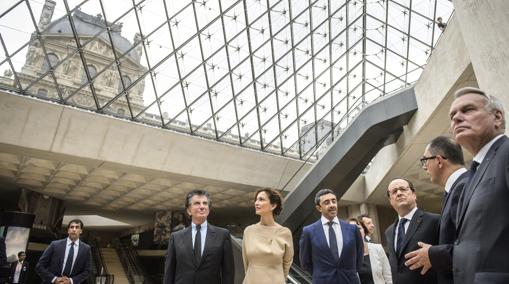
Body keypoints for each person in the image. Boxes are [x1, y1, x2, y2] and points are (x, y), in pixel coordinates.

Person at [448, 87, 509, 283]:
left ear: (497, 117)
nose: (456, 118)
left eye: (468, 110)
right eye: (453, 115)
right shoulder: (473, 173)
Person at [404, 136, 468, 283]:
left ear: (438, 160)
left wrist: (432, 254)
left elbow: (475, 247)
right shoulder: (455, 189)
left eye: (425, 161)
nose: (425, 167)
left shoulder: (464, 187)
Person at [163, 189, 234, 284]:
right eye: (197, 203)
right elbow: (169, 271)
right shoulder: (176, 237)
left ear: (209, 209)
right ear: (188, 210)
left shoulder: (223, 235)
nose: (202, 206)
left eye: (205, 203)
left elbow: (228, 272)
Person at [299, 189, 363, 284]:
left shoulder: (353, 229)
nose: (332, 205)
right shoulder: (309, 231)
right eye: (326, 202)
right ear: (319, 208)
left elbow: (359, 257)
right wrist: (321, 275)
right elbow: (305, 262)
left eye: (334, 201)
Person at [384, 178, 439, 284]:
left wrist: (434, 254)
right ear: (391, 200)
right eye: (394, 191)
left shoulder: (435, 221)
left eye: (403, 189)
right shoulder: (389, 232)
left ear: (414, 194)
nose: (399, 193)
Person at [242, 188, 293, 284]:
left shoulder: (285, 233)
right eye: (256, 200)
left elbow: (287, 263)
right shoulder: (248, 231)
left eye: (261, 199)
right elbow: (246, 263)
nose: (256, 203)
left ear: (273, 205)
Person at [35, 219, 91, 284]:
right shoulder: (55, 245)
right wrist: (54, 279)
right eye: (71, 227)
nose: (74, 229)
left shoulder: (86, 249)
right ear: (68, 230)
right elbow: (39, 266)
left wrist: (71, 281)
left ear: (81, 231)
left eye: (77, 227)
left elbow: (87, 271)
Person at [348, 218, 392, 284]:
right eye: (351, 229)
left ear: (364, 231)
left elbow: (388, 277)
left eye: (359, 228)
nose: (356, 231)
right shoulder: (346, 255)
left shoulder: (378, 248)